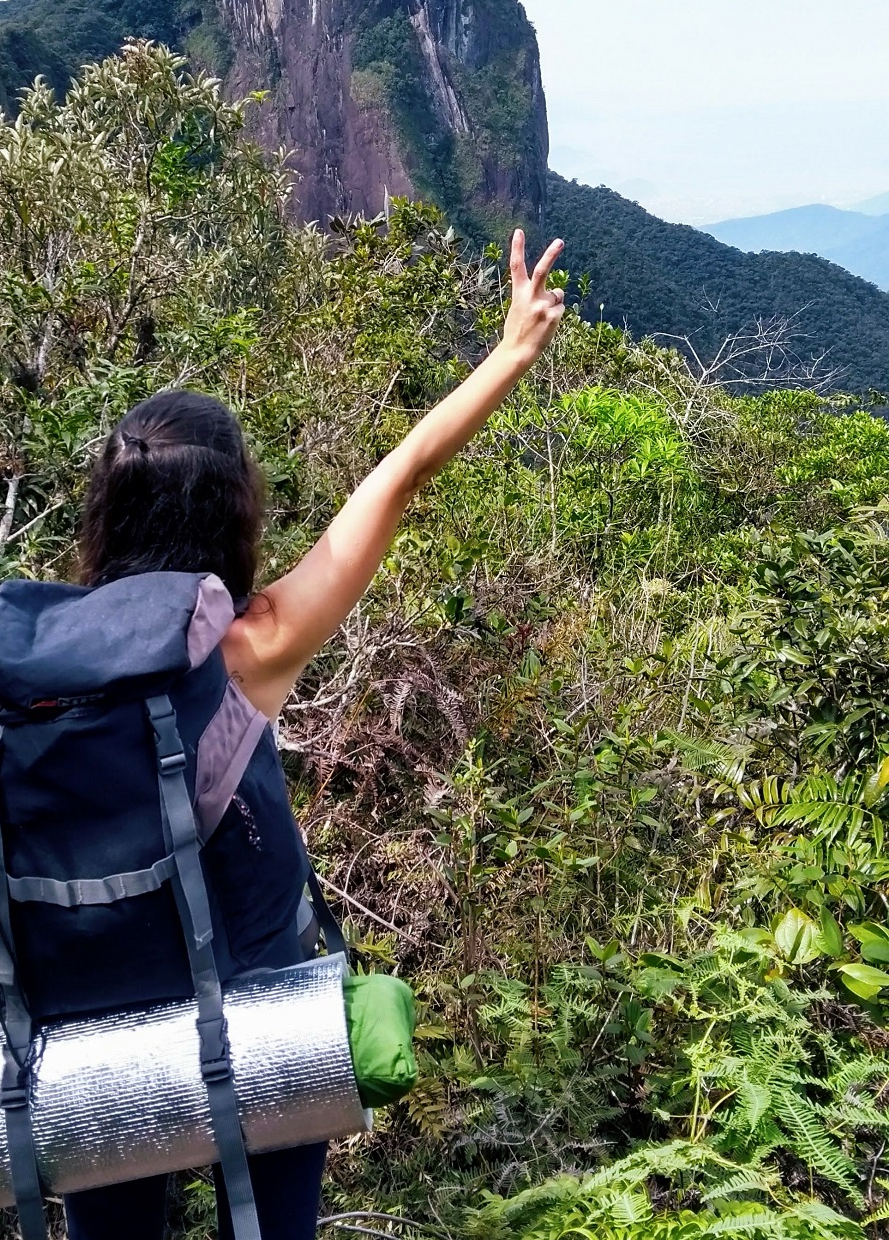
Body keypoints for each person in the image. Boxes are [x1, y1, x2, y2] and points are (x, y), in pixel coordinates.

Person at [55, 229, 565, 1240]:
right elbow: (400, 475)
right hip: (255, 1019)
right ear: (231, 514)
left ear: (109, 507)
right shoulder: (254, 644)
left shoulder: (45, 660)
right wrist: (509, 352)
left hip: (93, 1023)